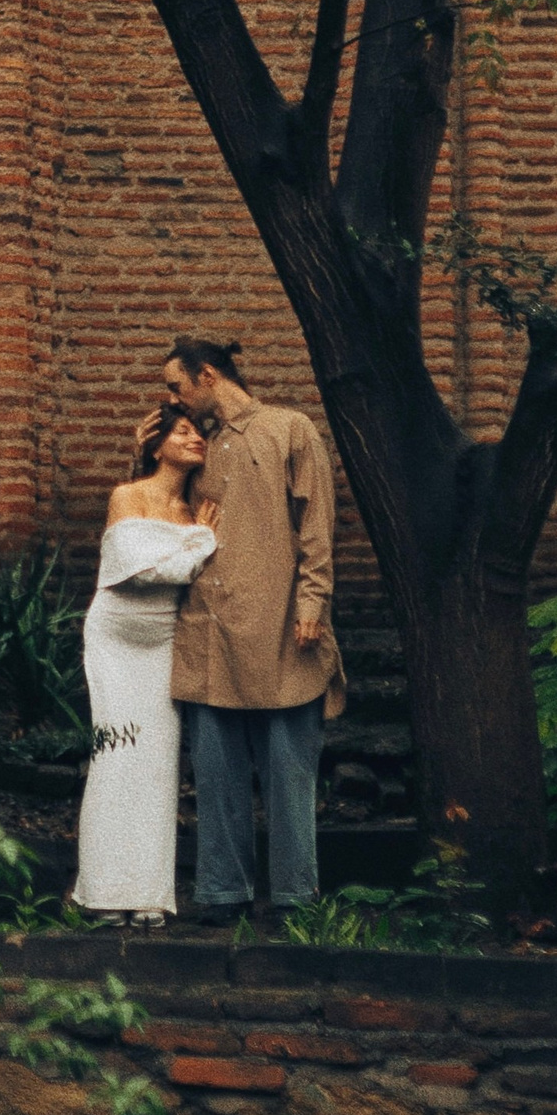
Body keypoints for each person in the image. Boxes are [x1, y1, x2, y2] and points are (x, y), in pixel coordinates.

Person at [162, 334, 347, 926]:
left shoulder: (289, 428)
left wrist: (313, 600)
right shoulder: (197, 446)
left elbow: (316, 520)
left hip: (281, 626)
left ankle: (294, 898)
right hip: (206, 631)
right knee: (215, 773)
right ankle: (221, 892)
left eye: (177, 386)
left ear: (208, 375)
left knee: (289, 773)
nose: (175, 399)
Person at [71, 407, 218, 919]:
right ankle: (107, 893)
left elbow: (179, 575)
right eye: (183, 431)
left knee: (157, 765)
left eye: (200, 431)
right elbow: (141, 572)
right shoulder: (126, 496)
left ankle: (149, 894)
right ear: (157, 447)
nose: (195, 438)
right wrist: (200, 545)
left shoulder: (193, 510)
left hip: (164, 643)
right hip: (116, 640)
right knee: (115, 757)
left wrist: (194, 544)